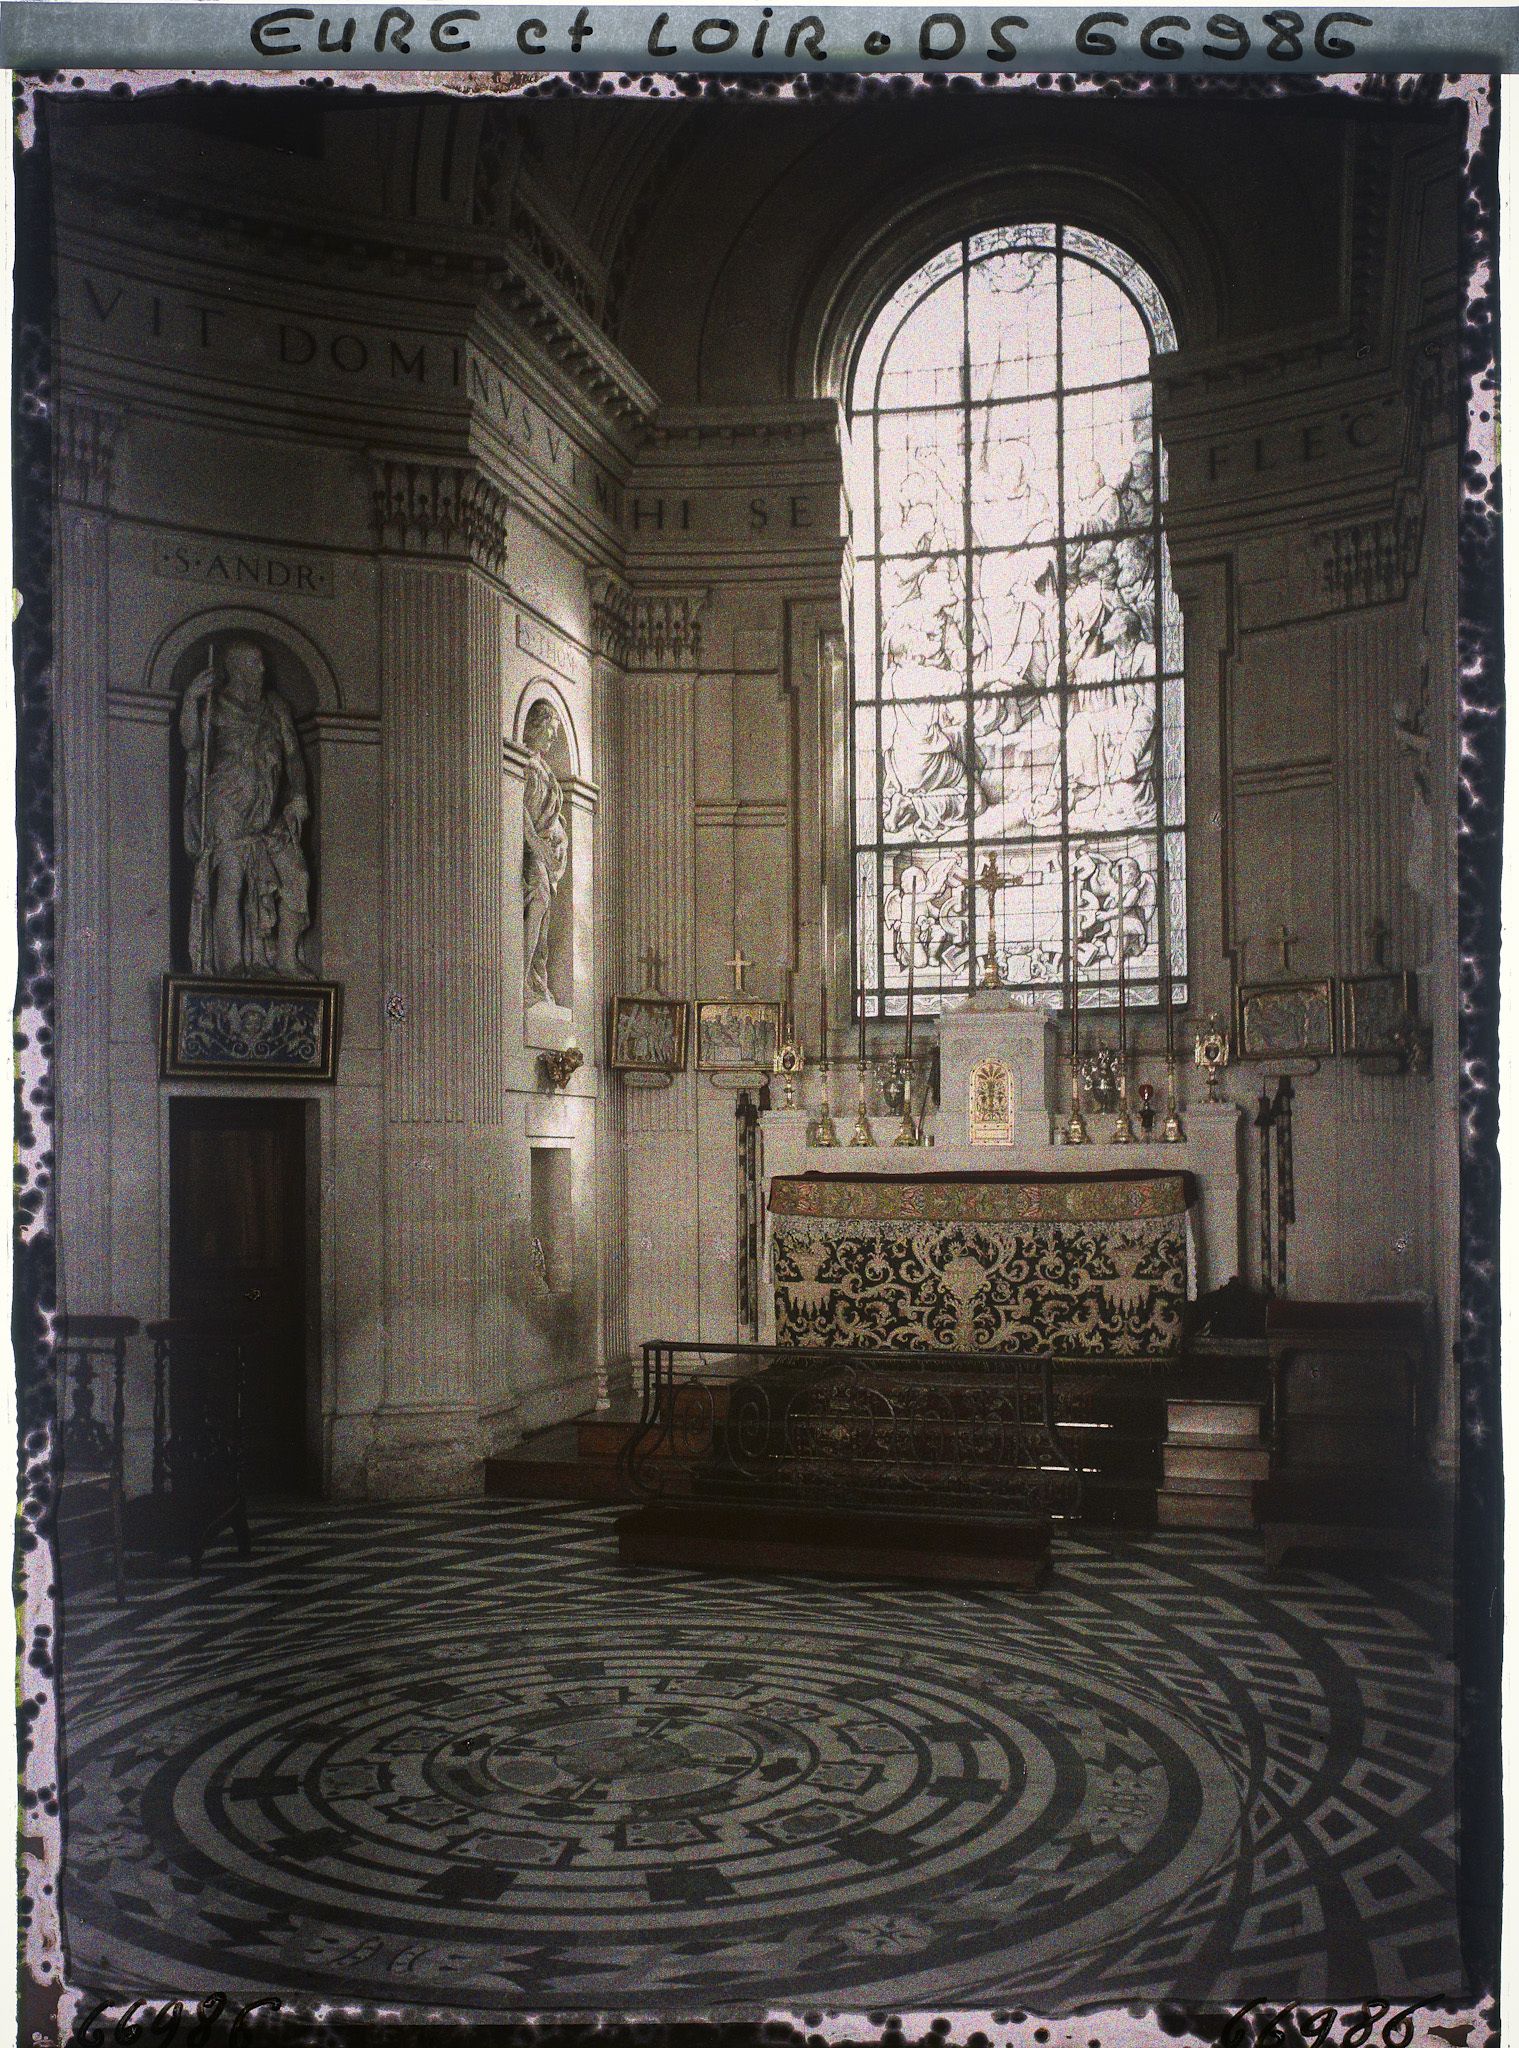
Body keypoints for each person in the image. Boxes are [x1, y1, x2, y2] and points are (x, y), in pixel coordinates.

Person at [179, 638, 310, 978]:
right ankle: (231, 966)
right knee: (232, 880)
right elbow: (192, 743)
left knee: (294, 875)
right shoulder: (216, 703)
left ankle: (285, 960)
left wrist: (298, 796)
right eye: (254, 663)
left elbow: (293, 755)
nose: (263, 669)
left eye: (262, 663)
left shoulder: (276, 707)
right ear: (235, 668)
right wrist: (191, 699)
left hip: (268, 807)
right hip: (225, 801)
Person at [522, 700, 570, 1007]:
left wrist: (561, 840)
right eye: (548, 731)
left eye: (554, 733)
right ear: (534, 728)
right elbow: (521, 809)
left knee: (543, 916)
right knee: (537, 901)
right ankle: (521, 977)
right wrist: (536, 843)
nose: (552, 738)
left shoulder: (547, 769)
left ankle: (534, 980)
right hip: (531, 851)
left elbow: (555, 816)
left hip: (546, 855)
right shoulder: (525, 764)